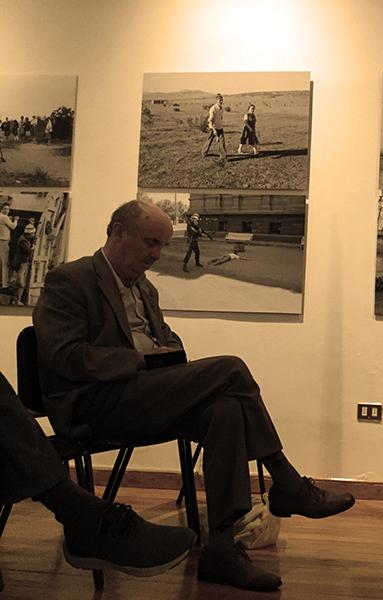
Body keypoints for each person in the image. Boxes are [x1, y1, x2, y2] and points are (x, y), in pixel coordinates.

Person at [32, 199, 355, 593]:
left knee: (225, 410)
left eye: (163, 246)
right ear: (118, 233)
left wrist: (167, 354)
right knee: (232, 368)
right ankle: (286, 481)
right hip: (95, 404)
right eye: (150, 242)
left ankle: (221, 548)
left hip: (143, 395)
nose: (156, 254)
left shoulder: (145, 288)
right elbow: (63, 356)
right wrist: (139, 360)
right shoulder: (70, 280)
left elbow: (166, 339)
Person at [0, 371, 196, 592]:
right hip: (90, 397)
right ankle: (82, 516)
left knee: (223, 398)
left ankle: (82, 515)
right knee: (225, 374)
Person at [11, 222, 35, 305]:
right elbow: (27, 251)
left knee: (20, 281)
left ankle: (17, 299)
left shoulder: (23, 239)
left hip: (23, 262)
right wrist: (32, 248)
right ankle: (17, 300)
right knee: (21, 282)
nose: (33, 235)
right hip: (22, 263)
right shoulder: (23, 240)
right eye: (33, 233)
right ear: (30, 233)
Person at [201, 94, 227, 162]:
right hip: (213, 127)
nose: (221, 101)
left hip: (220, 127)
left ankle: (223, 156)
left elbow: (220, 117)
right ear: (217, 100)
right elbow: (210, 120)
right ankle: (204, 152)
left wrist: (220, 123)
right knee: (209, 140)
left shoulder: (222, 108)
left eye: (222, 100)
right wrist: (213, 129)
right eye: (220, 100)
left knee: (222, 141)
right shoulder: (213, 109)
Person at [0, 203, 18, 289]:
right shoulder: (4, 217)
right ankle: (5, 284)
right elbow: (13, 227)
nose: (6, 211)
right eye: (5, 209)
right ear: (1, 209)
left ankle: (1, 282)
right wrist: (16, 220)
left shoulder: (2, 216)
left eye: (8, 209)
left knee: (1, 263)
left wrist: (9, 219)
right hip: (3, 242)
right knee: (5, 263)